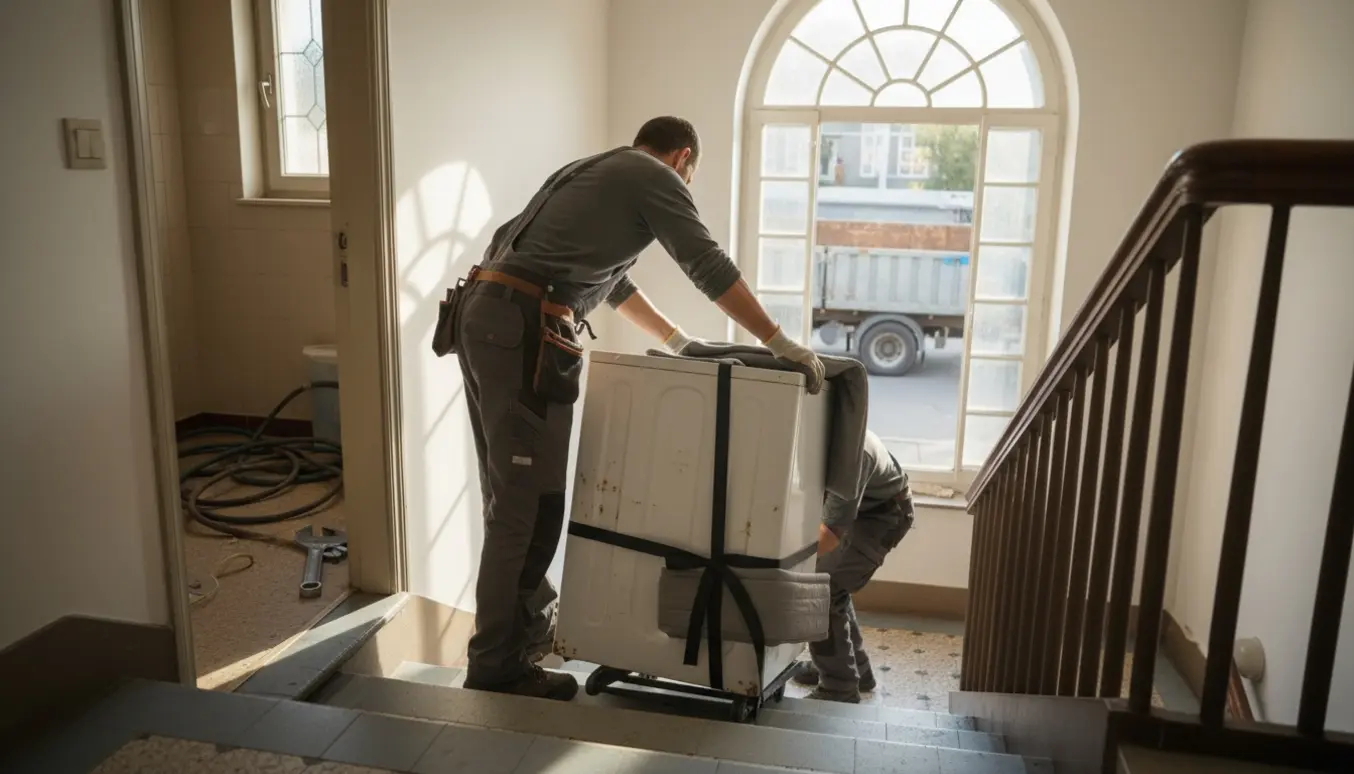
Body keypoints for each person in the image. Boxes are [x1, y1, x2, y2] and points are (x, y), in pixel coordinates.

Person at [454, 116, 826, 701]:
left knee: (512, 498)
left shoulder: (592, 171)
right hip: (521, 326)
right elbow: (707, 264)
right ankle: (498, 661)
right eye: (689, 177)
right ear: (682, 159)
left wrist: (679, 341)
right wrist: (777, 341)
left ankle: (519, 640)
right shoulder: (654, 174)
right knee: (528, 506)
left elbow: (614, 286)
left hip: (486, 316)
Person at [797, 429, 915, 703]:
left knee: (820, 592)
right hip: (869, 509)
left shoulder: (853, 456)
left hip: (883, 518)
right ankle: (857, 672)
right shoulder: (824, 433)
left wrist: (788, 563)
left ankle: (839, 687)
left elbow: (828, 537)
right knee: (831, 586)